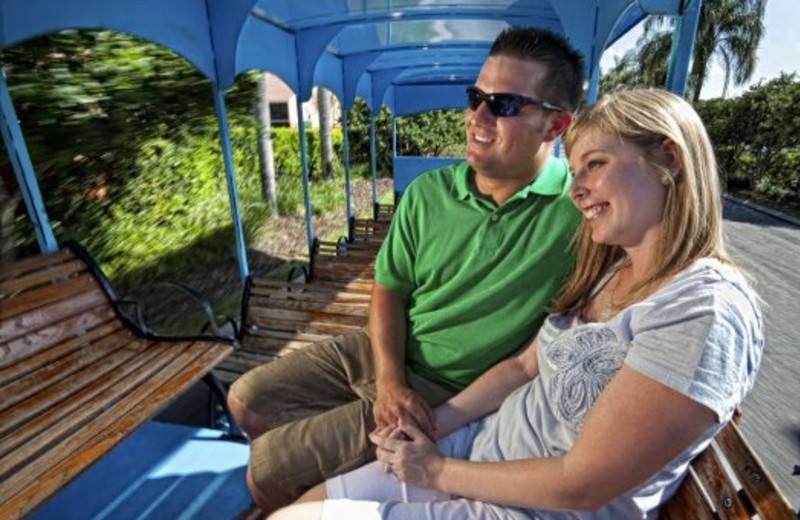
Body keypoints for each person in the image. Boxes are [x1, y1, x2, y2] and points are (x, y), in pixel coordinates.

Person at [267, 88, 765, 520]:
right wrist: (431, 426)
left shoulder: (705, 311)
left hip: (532, 507)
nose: (577, 190)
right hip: (481, 449)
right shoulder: (616, 270)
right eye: (574, 171)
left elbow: (581, 485)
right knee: (305, 501)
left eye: (596, 164)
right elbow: (523, 367)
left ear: (669, 158)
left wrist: (437, 471)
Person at [227, 27, 585, 512]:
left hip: (450, 387)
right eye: (476, 97)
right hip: (384, 352)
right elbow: (390, 289)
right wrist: (390, 379)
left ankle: (300, 495)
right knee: (245, 398)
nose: (477, 116)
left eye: (503, 105)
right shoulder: (428, 193)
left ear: (555, 125)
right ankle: (329, 478)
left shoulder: (582, 216)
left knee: (266, 470)